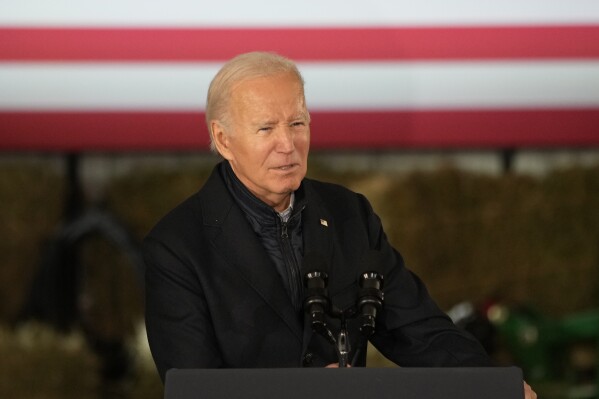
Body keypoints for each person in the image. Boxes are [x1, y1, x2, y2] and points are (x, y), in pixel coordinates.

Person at [143, 51, 536, 398]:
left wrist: (490, 384)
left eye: (298, 123)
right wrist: (306, 392)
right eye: (266, 128)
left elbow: (417, 328)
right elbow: (195, 387)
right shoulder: (176, 248)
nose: (288, 144)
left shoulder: (350, 214)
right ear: (223, 140)